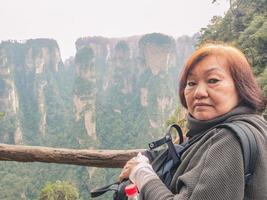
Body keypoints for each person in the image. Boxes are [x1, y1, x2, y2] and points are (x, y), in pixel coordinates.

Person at [119, 43, 267, 200]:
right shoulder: (256, 124)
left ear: (241, 87)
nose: (199, 92)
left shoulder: (229, 139)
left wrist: (142, 173)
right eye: (191, 83)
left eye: (213, 80)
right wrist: (148, 158)